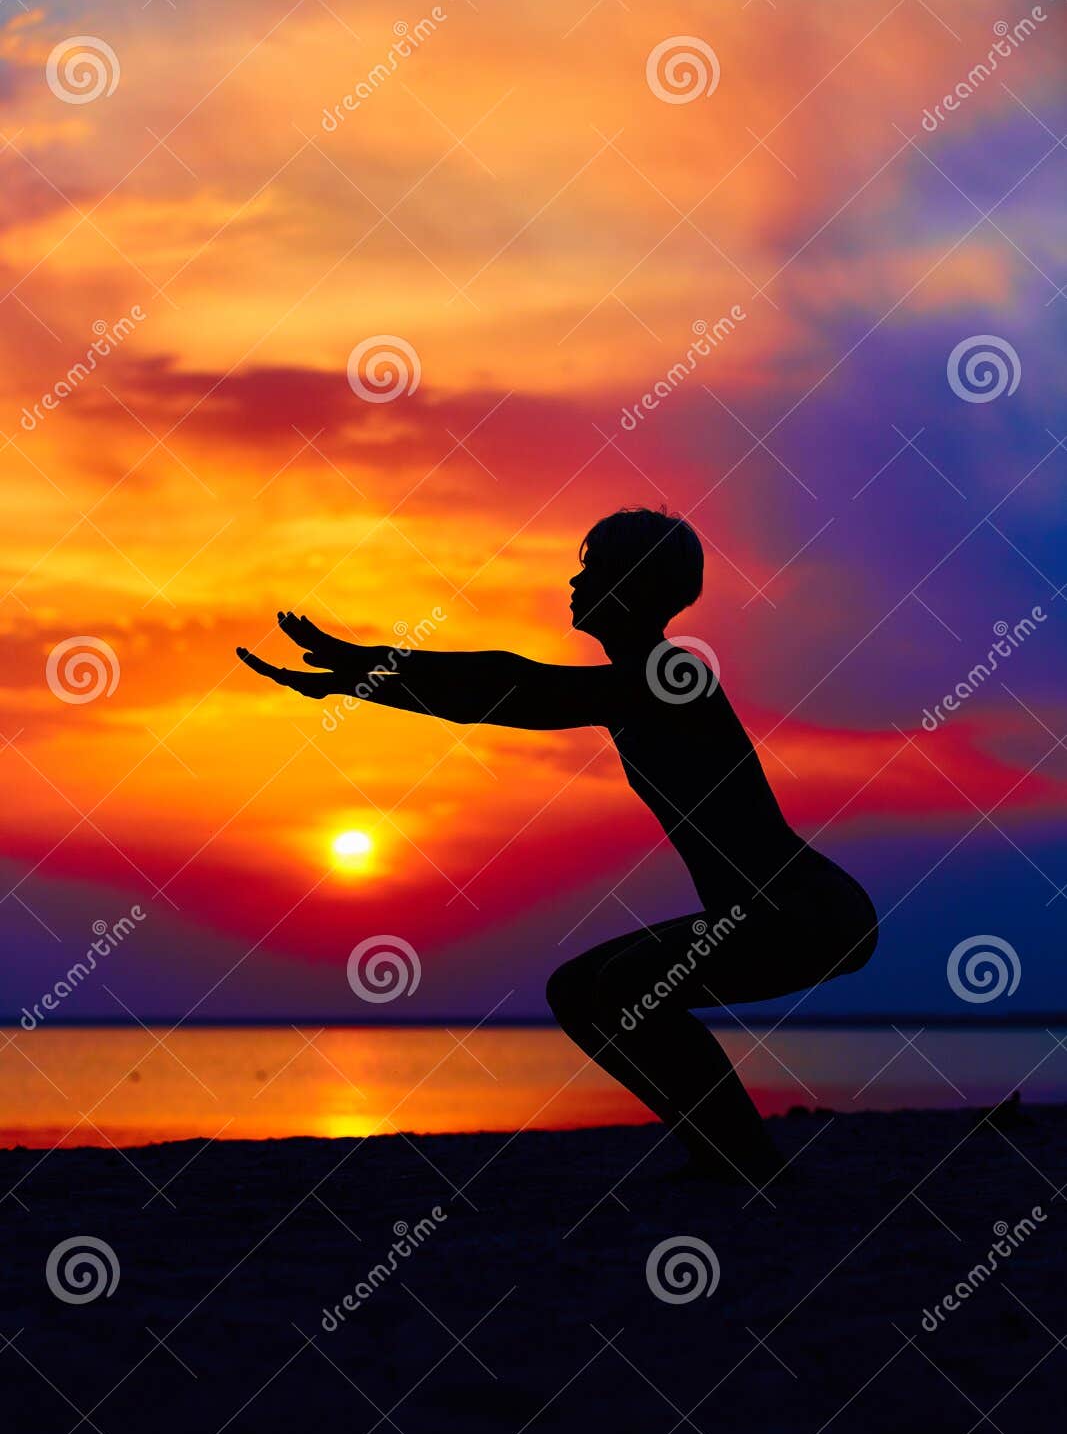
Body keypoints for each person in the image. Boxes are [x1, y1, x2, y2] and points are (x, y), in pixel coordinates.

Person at [237, 506, 877, 1186]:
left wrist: (368, 664)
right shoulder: (632, 684)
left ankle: (744, 1163)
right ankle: (725, 1155)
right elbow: (507, 692)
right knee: (579, 990)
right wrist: (365, 677)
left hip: (805, 914)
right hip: (760, 915)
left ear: (634, 584)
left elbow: (517, 687)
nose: (575, 583)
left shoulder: (669, 676)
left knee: (628, 986)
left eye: (594, 569)